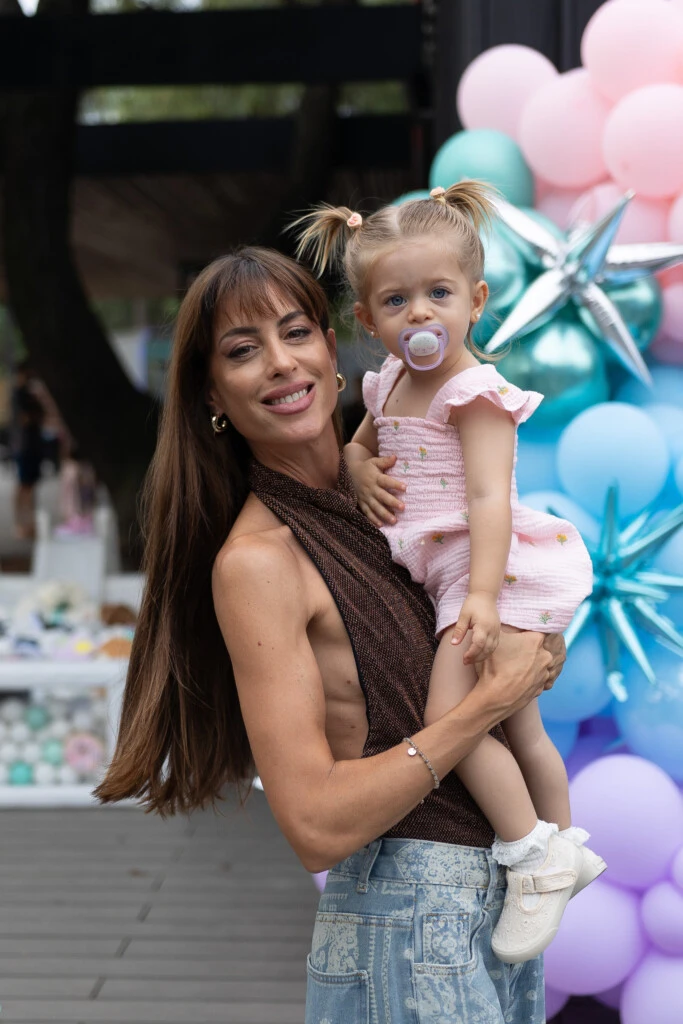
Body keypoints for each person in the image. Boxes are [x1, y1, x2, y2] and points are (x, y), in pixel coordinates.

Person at [95, 247, 567, 1024]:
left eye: (295, 333)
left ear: (333, 347)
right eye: (243, 352)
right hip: (407, 920)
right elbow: (314, 826)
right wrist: (486, 708)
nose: (281, 364)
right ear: (213, 394)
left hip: (491, 909)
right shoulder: (257, 564)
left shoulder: (402, 491)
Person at [293, 184, 605, 965]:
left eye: (438, 295)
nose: (420, 316)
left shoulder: (476, 394)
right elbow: (358, 450)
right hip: (443, 573)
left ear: (475, 300)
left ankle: (531, 854)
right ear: (366, 321)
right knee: (517, 723)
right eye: (396, 301)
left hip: (489, 568)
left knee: (449, 717)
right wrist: (360, 468)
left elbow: (487, 500)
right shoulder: (388, 384)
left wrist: (481, 597)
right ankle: (564, 846)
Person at [10, 360, 45, 539]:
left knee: (30, 486)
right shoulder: (18, 394)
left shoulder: (30, 394)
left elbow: (40, 415)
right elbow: (26, 418)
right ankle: (21, 523)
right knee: (23, 485)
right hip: (23, 445)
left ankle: (30, 522)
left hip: (32, 445)